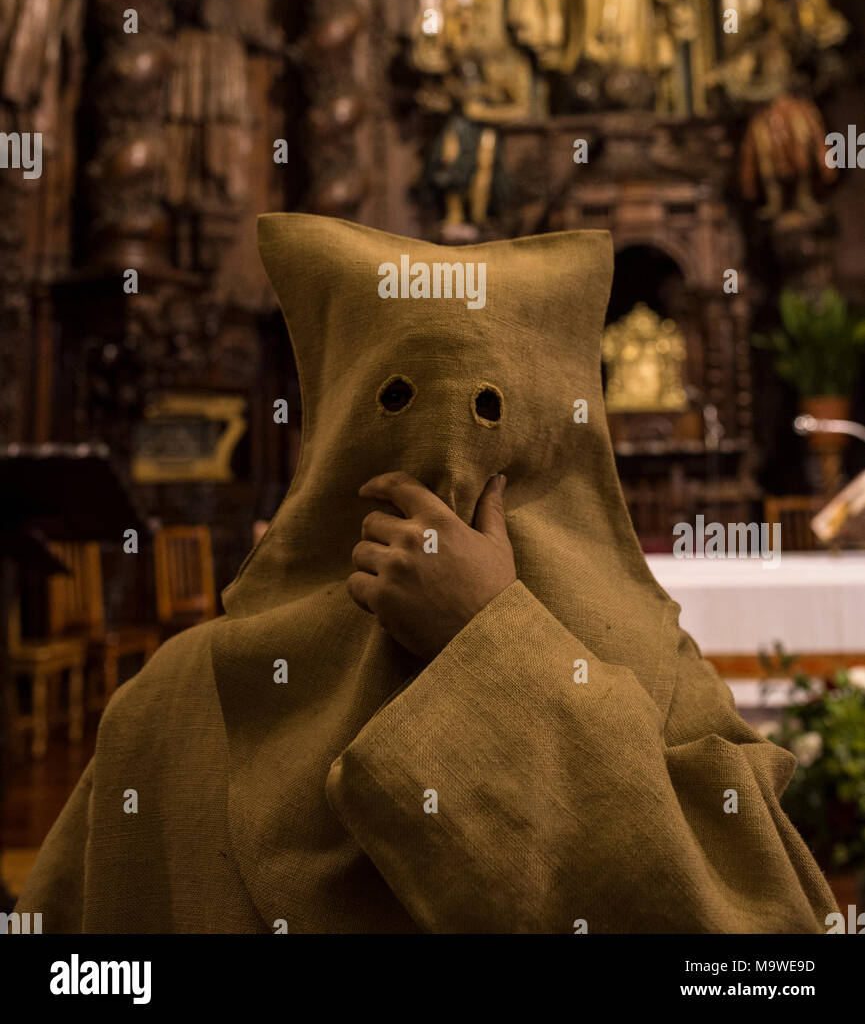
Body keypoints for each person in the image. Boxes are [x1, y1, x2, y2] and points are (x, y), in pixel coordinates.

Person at [16, 214, 836, 933]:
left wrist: (488, 637)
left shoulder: (173, 695)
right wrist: (503, 648)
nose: (445, 456)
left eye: (487, 407)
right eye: (400, 399)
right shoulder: (174, 703)